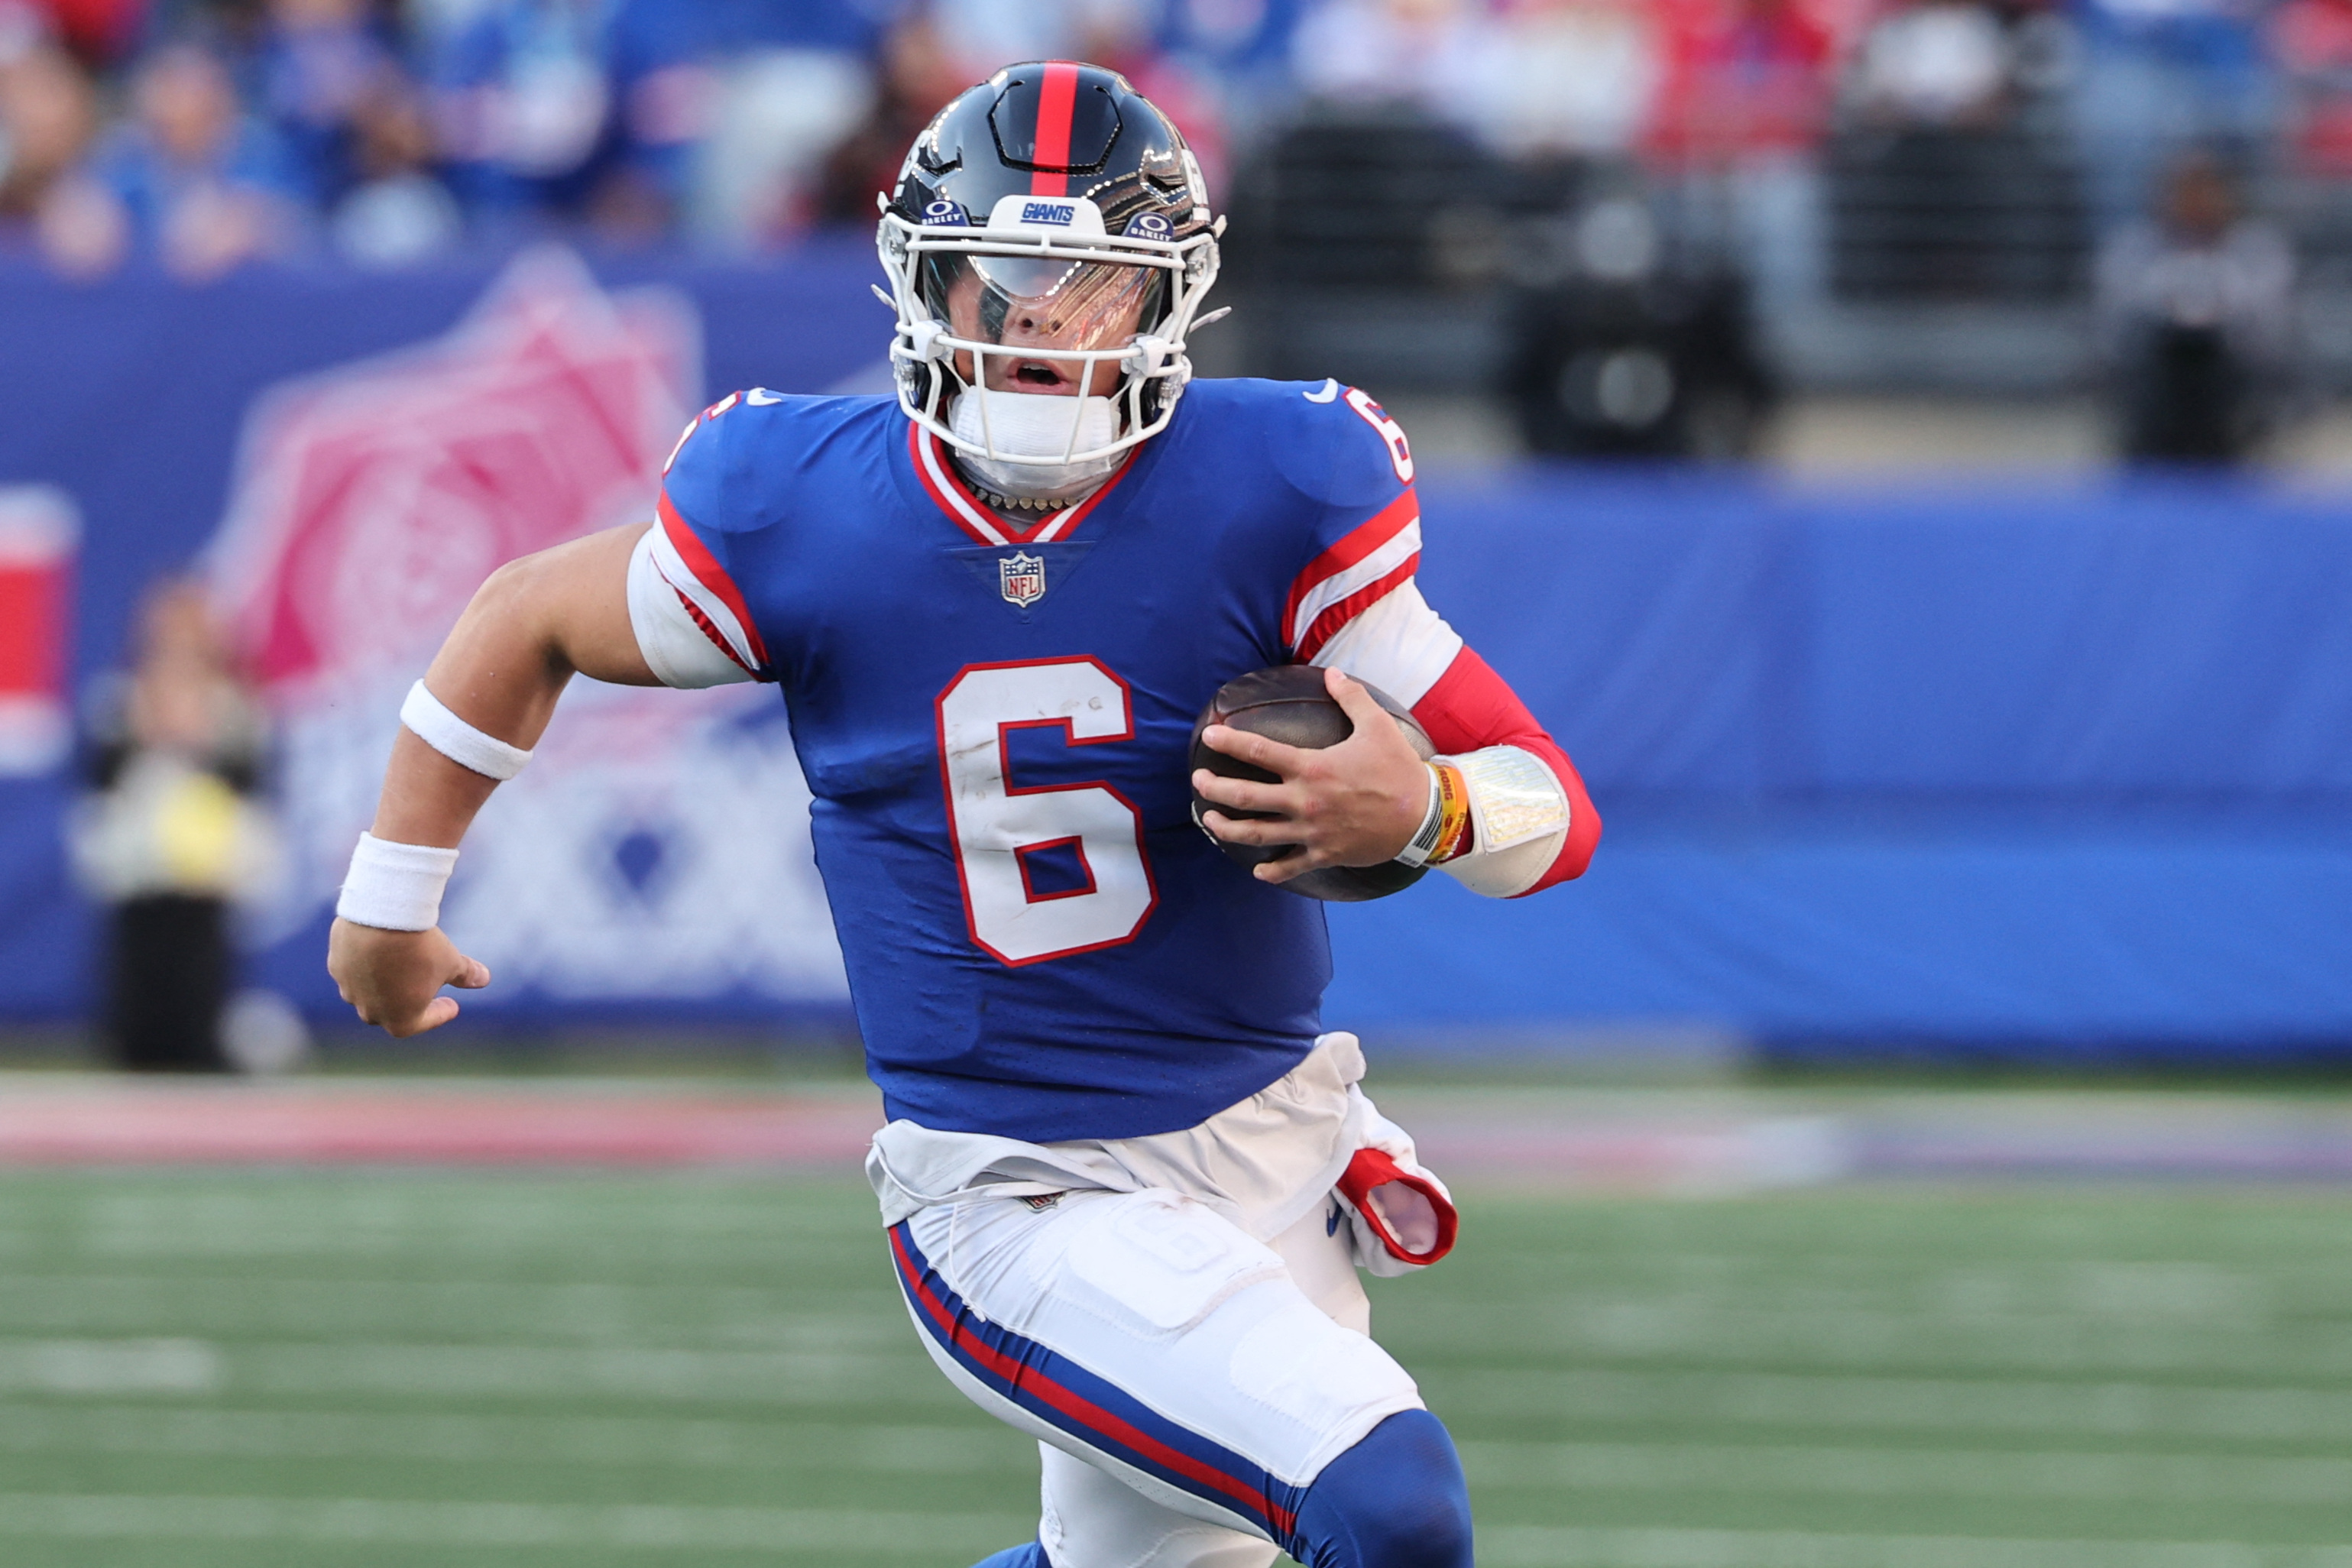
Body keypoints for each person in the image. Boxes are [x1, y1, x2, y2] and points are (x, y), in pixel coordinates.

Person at [329, 62, 1599, 1568]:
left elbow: (1554, 815)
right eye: (1006, 281)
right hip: (1021, 1192)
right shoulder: (801, 505)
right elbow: (521, 617)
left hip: (1273, 1148)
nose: (1049, 330)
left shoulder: (1275, 490)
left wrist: (1434, 806)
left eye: (1097, 289)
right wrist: (390, 907)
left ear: (1171, 300)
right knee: (1391, 1505)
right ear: (926, 284)